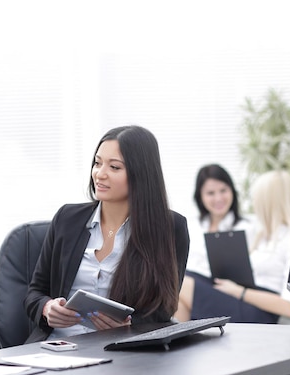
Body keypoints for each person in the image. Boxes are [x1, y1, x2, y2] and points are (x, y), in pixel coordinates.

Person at [24, 125, 190, 342]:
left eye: (114, 167)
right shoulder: (67, 218)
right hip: (55, 347)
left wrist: (128, 325)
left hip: (123, 353)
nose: (100, 174)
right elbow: (34, 292)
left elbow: (164, 309)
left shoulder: (170, 227)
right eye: (97, 163)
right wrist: (47, 308)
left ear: (141, 173)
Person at [175, 170, 290, 323]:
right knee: (176, 277)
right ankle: (175, 344)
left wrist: (240, 292)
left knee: (178, 282)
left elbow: (289, 307)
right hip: (243, 296)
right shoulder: (264, 234)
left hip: (259, 310)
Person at [184, 163, 252, 280]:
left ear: (232, 191)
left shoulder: (246, 227)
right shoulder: (192, 226)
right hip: (192, 284)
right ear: (200, 197)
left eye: (223, 190)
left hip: (225, 290)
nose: (218, 199)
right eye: (210, 193)